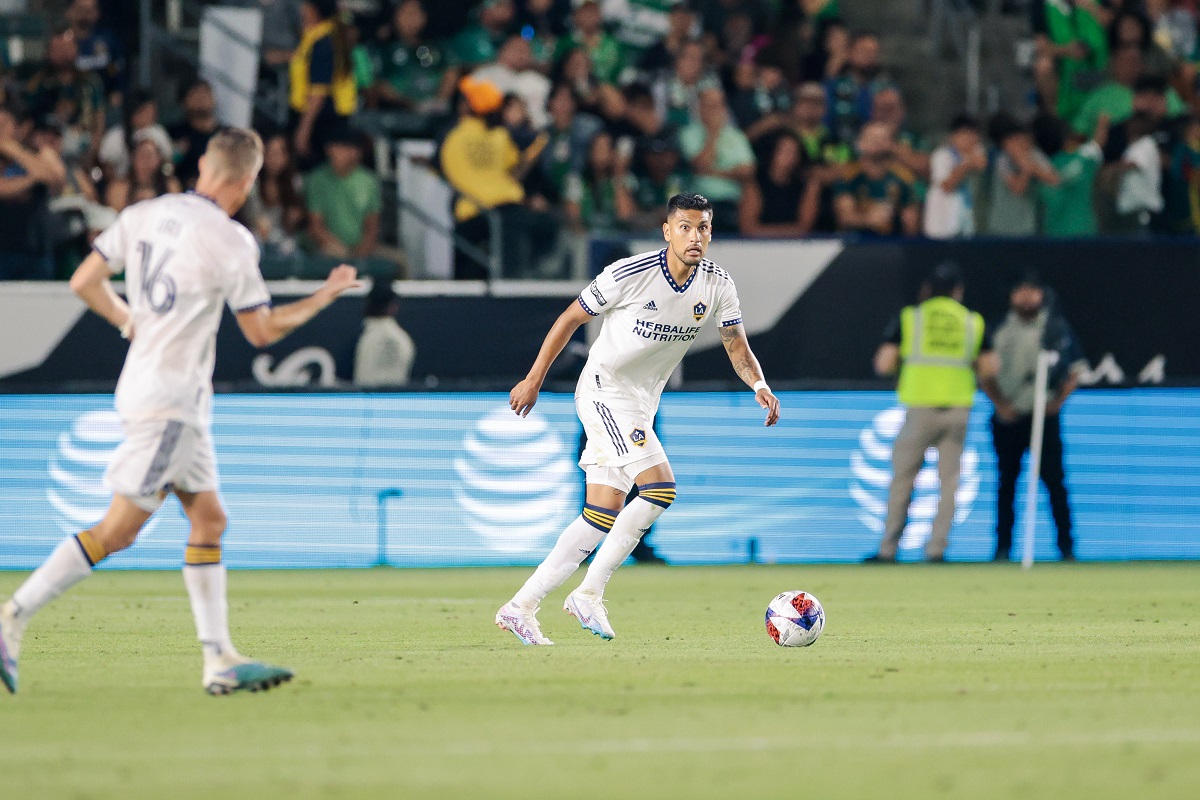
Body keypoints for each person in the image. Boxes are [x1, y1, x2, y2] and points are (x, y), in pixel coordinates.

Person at [0, 128, 361, 696]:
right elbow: (262, 330)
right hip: (171, 404)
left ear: (202, 167)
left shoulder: (145, 212)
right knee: (118, 531)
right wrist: (324, 296)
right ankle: (12, 616)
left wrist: (129, 321)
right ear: (243, 185)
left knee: (210, 520)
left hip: (158, 389)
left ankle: (219, 660)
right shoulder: (230, 239)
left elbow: (84, 281)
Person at [495, 192, 781, 645]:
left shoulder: (718, 284)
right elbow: (569, 318)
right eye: (684, 226)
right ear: (667, 231)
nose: (694, 236)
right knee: (661, 487)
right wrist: (533, 380)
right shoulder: (630, 273)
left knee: (598, 515)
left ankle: (520, 607)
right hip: (604, 391)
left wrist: (759, 385)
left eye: (703, 227)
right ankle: (589, 592)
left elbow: (735, 344)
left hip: (642, 402)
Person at [866, 263, 998, 563]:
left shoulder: (911, 318)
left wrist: (904, 368)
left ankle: (889, 549)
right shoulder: (971, 321)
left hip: (920, 408)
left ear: (927, 290)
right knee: (949, 483)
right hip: (957, 410)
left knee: (903, 479)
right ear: (958, 292)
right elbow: (991, 368)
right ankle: (936, 549)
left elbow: (884, 364)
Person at [986, 273, 1087, 563]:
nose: (1027, 298)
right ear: (1011, 296)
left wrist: (1057, 402)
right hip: (1009, 418)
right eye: (1021, 291)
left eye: (1033, 291)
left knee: (1055, 482)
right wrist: (1001, 404)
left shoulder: (1055, 328)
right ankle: (1003, 548)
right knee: (1007, 484)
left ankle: (1066, 548)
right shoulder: (998, 328)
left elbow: (1076, 369)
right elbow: (983, 371)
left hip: (1044, 418)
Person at [290, 0, 357, 169]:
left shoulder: (323, 43)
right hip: (325, 117)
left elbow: (318, 93)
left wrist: (303, 130)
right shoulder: (323, 36)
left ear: (314, 10)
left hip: (320, 120)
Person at [678, 86, 756, 230]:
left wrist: (713, 172)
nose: (715, 110)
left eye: (718, 105)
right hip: (699, 205)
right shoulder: (688, 133)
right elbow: (700, 165)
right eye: (710, 105)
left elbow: (747, 171)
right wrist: (713, 134)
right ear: (700, 108)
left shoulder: (736, 136)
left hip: (732, 203)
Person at [304, 127, 384, 261]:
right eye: (342, 148)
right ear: (329, 149)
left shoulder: (369, 181)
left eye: (352, 148)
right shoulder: (316, 180)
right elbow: (315, 226)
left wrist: (363, 249)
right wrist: (340, 249)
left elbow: (373, 224)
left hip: (363, 248)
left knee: (399, 261)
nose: (348, 153)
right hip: (328, 247)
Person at [833, 121, 920, 236]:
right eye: (872, 138)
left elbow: (910, 222)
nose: (878, 142)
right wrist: (869, 220)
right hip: (853, 244)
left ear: (891, 144)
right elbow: (844, 217)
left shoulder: (903, 178)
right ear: (860, 144)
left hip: (892, 245)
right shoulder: (848, 176)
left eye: (883, 138)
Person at [923, 114, 987, 239]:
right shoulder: (941, 156)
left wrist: (969, 159)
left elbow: (982, 164)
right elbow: (947, 186)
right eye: (966, 134)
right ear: (953, 136)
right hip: (941, 225)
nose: (971, 139)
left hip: (964, 222)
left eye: (974, 134)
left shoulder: (975, 151)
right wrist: (966, 164)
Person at [354, 278, 416, 386]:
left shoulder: (369, 340)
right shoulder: (402, 339)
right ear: (393, 307)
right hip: (395, 400)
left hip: (370, 399)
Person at [105, 134, 183, 212]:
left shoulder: (171, 186)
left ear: (159, 159)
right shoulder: (119, 188)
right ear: (133, 158)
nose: (146, 161)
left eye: (150, 155)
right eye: (142, 155)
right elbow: (115, 217)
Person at [169, 80, 221, 189]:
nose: (202, 98)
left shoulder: (225, 136)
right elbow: (165, 169)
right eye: (196, 94)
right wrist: (175, 155)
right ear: (184, 101)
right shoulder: (174, 133)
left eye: (206, 93)